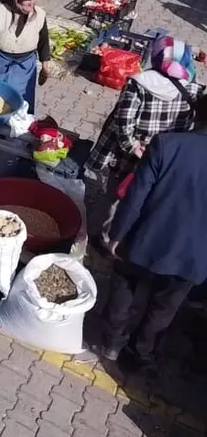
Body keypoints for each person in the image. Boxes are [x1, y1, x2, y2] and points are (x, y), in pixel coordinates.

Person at [101, 94, 207, 371]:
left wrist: (118, 234)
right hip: (192, 257)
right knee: (163, 308)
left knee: (124, 287)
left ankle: (112, 343)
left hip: (145, 240)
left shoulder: (168, 144)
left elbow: (136, 196)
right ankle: (140, 353)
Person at [84, 36, 203, 241]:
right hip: (166, 155)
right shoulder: (194, 89)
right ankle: (123, 234)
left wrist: (131, 146)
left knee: (116, 192)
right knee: (145, 193)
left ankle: (103, 238)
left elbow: (124, 118)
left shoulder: (140, 83)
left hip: (134, 154)